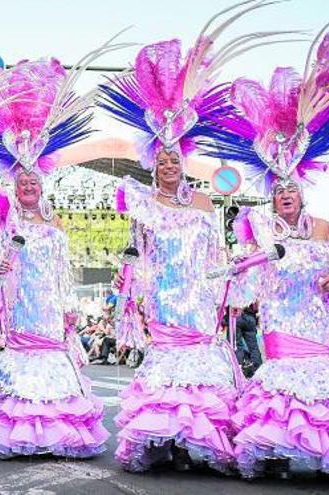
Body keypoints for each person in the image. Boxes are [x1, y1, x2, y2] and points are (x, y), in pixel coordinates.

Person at [204, 36, 329, 476]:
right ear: (271, 197)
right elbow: (243, 273)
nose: (285, 196)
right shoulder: (257, 227)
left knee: (321, 388)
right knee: (281, 385)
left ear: (301, 194)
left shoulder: (320, 227)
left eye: (291, 190)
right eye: (278, 191)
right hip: (280, 316)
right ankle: (276, 451)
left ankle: (322, 452)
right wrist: (233, 272)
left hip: (317, 318)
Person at [97, 12, 259, 471]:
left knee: (200, 372)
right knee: (168, 369)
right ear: (152, 163)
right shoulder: (144, 204)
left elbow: (217, 256)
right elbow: (136, 252)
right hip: (165, 299)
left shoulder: (206, 204)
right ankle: (164, 440)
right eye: (162, 159)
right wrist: (134, 294)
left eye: (175, 158)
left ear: (184, 161)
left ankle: (199, 440)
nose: (169, 164)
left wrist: (230, 280)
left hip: (199, 299)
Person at [0, 57, 110, 458]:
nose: (29, 186)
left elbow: (63, 273)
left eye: (35, 181)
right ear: (15, 188)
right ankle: (22, 432)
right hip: (21, 310)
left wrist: (70, 308)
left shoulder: (55, 229)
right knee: (24, 362)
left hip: (51, 312)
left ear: (42, 185)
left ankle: (57, 433)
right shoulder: (1, 226)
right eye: (24, 182)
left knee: (53, 362)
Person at [235, 304, 262, 376]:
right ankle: (258, 370)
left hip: (236, 315)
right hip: (251, 317)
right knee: (254, 348)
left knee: (237, 346)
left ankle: (238, 370)